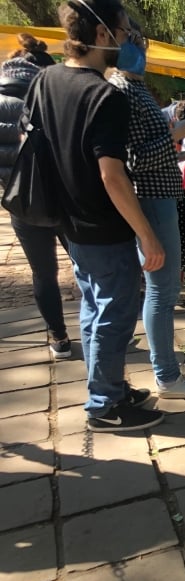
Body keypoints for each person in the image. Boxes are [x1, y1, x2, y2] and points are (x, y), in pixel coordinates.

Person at [37, 0, 166, 432]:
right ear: (100, 35)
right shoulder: (103, 95)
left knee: (95, 309)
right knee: (115, 314)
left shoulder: (46, 79)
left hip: (68, 222)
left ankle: (108, 388)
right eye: (123, 31)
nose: (127, 39)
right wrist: (146, 234)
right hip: (102, 224)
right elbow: (112, 176)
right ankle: (104, 406)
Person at [108, 21, 185, 399]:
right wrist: (173, 136)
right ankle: (168, 377)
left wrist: (182, 151)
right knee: (161, 290)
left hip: (161, 195)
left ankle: (168, 363)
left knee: (167, 289)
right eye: (132, 42)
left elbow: (148, 150)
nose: (140, 49)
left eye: (141, 43)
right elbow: (132, 158)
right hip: (151, 199)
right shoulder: (121, 90)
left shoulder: (135, 88)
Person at [0, 37, 72, 359]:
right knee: (87, 263)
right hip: (65, 197)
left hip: (22, 202)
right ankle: (101, 329)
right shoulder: (50, 94)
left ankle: (59, 338)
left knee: (44, 273)